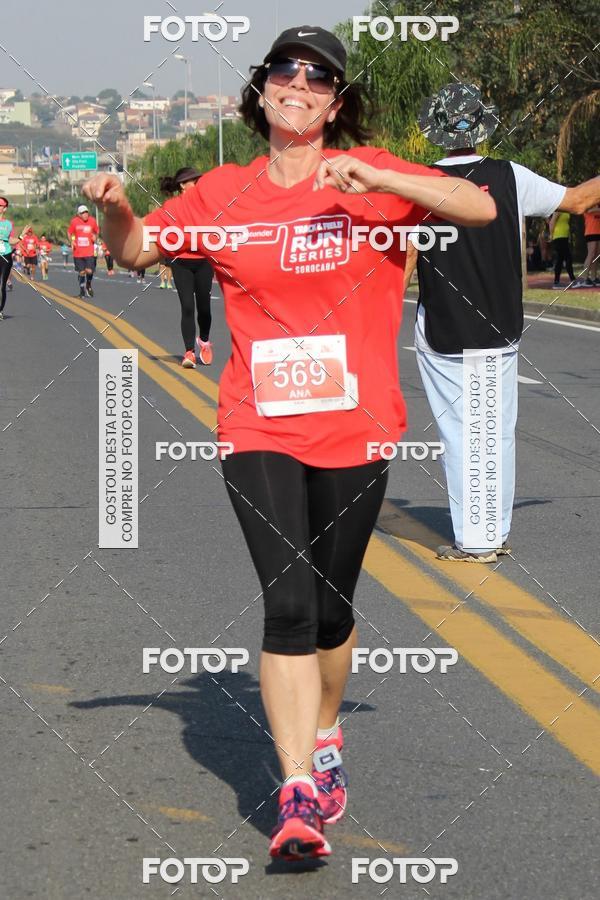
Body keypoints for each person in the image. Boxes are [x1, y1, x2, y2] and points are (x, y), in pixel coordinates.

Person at [84, 25, 496, 861]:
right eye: (286, 71)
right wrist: (115, 209)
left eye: (319, 78)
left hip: (358, 424)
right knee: (290, 605)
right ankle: (297, 790)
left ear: (335, 102)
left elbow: (480, 206)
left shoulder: (374, 176)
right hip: (257, 424)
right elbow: (135, 251)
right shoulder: (222, 193)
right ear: (263, 88)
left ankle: (328, 726)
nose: (299, 84)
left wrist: (377, 175)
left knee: (334, 611)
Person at [405, 82, 600, 562]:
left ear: (435, 130)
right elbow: (577, 201)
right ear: (481, 125)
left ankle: (476, 540)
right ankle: (491, 532)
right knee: (494, 430)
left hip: (443, 329)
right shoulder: (509, 175)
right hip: (499, 326)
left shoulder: (415, 183)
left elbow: (405, 259)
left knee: (459, 431)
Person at [159, 167, 215, 367]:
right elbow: (163, 231)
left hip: (204, 260)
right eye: (194, 181)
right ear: (183, 185)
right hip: (180, 261)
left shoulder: (207, 204)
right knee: (188, 307)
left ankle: (205, 341)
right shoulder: (171, 206)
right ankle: (189, 352)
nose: (198, 184)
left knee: (205, 308)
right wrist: (167, 255)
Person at [67, 203, 99, 299]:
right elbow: (69, 232)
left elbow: (97, 231)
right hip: (78, 253)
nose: (85, 214)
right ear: (79, 214)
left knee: (89, 271)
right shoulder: (74, 222)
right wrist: (71, 241)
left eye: (86, 212)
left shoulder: (92, 221)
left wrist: (95, 237)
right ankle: (82, 291)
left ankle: (88, 284)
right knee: (81, 272)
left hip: (89, 251)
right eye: (83, 213)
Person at [0, 196, 17, 319]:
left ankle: (0, 310)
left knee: (1, 285)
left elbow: (11, 240)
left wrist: (20, 238)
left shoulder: (9, 224)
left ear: (4, 209)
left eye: (0, 206)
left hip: (5, 256)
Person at [549, 208, 576, 287]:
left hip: (564, 237)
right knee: (568, 258)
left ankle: (556, 281)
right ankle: (572, 280)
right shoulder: (558, 210)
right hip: (558, 237)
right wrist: (551, 235)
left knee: (560, 259)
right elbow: (551, 222)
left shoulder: (566, 210)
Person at [575, 208, 600, 287]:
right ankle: (585, 278)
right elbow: (588, 211)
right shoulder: (588, 204)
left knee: (597, 256)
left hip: (598, 231)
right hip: (591, 232)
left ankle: (594, 277)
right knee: (591, 254)